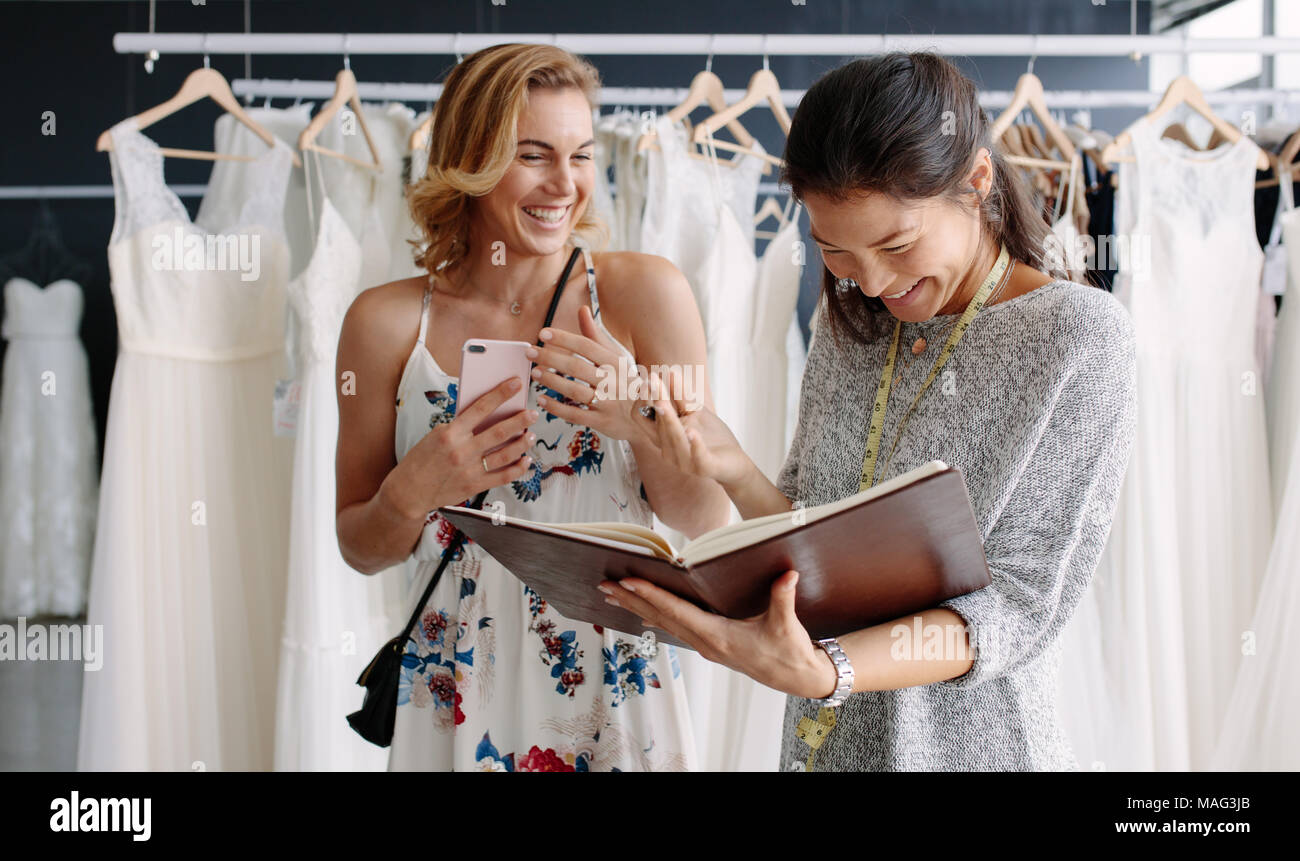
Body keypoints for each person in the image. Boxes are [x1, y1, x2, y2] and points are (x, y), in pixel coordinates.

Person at [596, 52, 1139, 771]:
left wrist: (827, 672)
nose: (875, 282)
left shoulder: (1078, 337)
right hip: (823, 745)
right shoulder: (849, 323)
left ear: (977, 182)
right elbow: (808, 533)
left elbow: (1018, 607)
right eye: (837, 252)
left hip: (972, 750)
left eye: (897, 244)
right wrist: (724, 461)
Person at [334, 43, 730, 771]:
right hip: (453, 679)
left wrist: (637, 416)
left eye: (580, 155)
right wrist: (414, 488)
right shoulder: (385, 323)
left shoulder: (646, 295)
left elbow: (702, 515)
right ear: (471, 159)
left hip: (610, 676)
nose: (566, 184)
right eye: (535, 154)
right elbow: (359, 545)